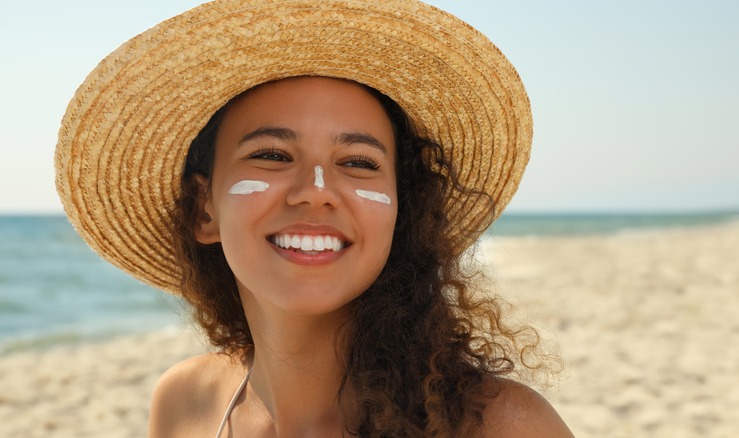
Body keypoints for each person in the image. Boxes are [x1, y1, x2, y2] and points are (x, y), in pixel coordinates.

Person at [55, 1, 573, 436]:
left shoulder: (499, 425)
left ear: (403, 213)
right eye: (273, 155)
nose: (316, 193)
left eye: (358, 164)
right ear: (203, 209)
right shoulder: (184, 404)